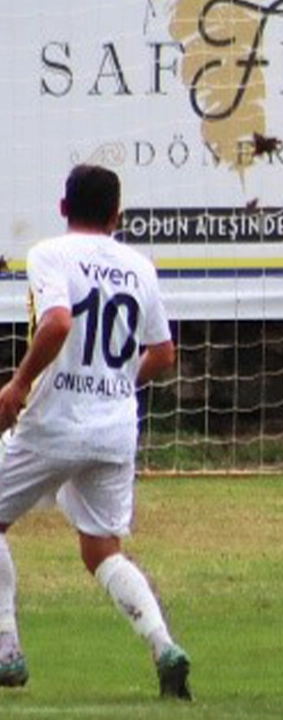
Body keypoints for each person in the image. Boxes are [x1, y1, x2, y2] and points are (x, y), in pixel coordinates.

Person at [0, 165, 191, 698]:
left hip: (56, 421)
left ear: (63, 209)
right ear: (116, 216)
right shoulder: (139, 265)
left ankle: (6, 646)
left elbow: (57, 322)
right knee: (102, 549)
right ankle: (164, 646)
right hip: (114, 428)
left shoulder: (49, 253)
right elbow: (163, 353)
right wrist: (114, 383)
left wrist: (17, 384)